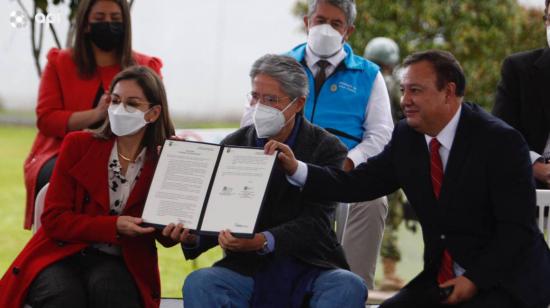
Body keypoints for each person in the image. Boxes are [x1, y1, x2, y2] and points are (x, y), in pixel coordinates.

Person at [266, 50, 550, 308]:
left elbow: (517, 233)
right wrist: (297, 169)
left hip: (507, 282)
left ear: (448, 92)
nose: (405, 101)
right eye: (403, 90)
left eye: (415, 90)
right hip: (440, 280)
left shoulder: (501, 143)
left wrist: (473, 280)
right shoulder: (407, 136)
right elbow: (357, 183)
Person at [166, 54, 367, 308]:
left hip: (311, 266)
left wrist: (263, 240)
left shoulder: (327, 148)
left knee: (348, 286)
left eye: (271, 99)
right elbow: (219, 212)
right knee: (200, 283)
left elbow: (316, 222)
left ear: (298, 103)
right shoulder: (233, 144)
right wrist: (192, 237)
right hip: (247, 269)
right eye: (255, 96)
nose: (259, 106)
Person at [241, 0, 394, 289]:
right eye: (320, 19)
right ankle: (254, 282)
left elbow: (381, 135)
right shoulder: (277, 66)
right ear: (306, 22)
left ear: (348, 31)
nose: (326, 29)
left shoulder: (369, 75)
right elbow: (250, 121)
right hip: (279, 165)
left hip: (341, 170)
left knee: (372, 200)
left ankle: (352, 290)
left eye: (336, 24)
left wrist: (348, 164)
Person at [0, 66, 176, 308]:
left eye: (132, 104)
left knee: (112, 294)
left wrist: (175, 233)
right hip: (59, 253)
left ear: (153, 113)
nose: (119, 110)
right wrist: (113, 226)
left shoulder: (165, 160)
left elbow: (161, 233)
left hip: (119, 260)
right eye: (115, 101)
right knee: (63, 298)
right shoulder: (78, 145)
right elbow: (53, 219)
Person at [23, 0, 163, 230]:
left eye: (115, 20)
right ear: (86, 23)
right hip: (62, 151)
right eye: (99, 19)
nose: (108, 25)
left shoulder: (146, 66)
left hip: (130, 151)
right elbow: (47, 120)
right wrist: (96, 113)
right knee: (57, 179)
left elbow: (157, 118)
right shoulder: (60, 63)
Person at [492, 0, 550, 189]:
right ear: (546, 21)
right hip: (531, 185)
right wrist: (536, 166)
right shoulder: (519, 69)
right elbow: (499, 135)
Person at [364, 36, 406, 291]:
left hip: (366, 159)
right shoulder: (393, 85)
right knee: (390, 216)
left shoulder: (366, 82)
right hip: (391, 160)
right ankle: (389, 272)